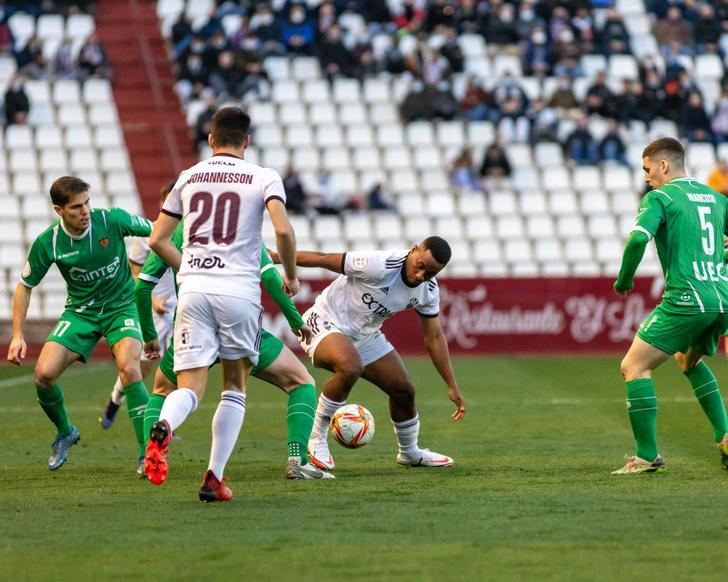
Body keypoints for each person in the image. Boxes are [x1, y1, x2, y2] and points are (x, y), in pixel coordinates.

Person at [144, 107, 301, 502]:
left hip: (193, 290)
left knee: (190, 388)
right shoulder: (263, 176)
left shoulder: (188, 176)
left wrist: (189, 271)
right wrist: (293, 275)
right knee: (234, 386)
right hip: (238, 291)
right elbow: (282, 228)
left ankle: (164, 423)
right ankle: (213, 478)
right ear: (246, 141)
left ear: (210, 139)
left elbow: (157, 241)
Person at [136, 222, 332, 481]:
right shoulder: (240, 219)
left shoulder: (179, 229)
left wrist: (150, 336)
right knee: (299, 382)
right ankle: (298, 460)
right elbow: (271, 278)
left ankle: (150, 452)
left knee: (164, 389)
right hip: (238, 318)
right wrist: (296, 321)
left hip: (193, 319)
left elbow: (142, 286)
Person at [272, 237, 466, 471]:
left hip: (365, 335)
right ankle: (316, 439)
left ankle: (409, 453)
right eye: (420, 265)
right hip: (323, 322)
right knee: (350, 367)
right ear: (413, 250)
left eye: (431, 273)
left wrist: (452, 385)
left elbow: (434, 337)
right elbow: (324, 259)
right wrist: (275, 257)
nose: (420, 276)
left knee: (403, 389)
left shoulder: (428, 291)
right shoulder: (379, 264)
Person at [6, 176, 153, 472]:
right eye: (76, 207)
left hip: (121, 307)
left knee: (129, 367)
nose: (85, 211)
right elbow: (24, 286)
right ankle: (65, 431)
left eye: (87, 202)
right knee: (43, 375)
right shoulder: (49, 242)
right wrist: (17, 335)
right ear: (59, 210)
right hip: (80, 313)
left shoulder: (111, 220)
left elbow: (159, 230)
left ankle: (148, 454)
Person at [612, 137, 728, 475]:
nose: (646, 176)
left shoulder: (660, 197)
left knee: (633, 366)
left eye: (648, 169)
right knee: (687, 360)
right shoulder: (717, 198)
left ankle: (646, 456)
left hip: (687, 297)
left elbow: (636, 239)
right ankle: (724, 436)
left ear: (663, 165)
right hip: (722, 296)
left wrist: (624, 279)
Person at [99, 181, 177, 431]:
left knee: (176, 372)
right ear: (162, 204)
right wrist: (153, 301)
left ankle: (162, 425)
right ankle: (114, 399)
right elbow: (135, 273)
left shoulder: (189, 233)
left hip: (183, 310)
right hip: (154, 312)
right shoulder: (149, 235)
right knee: (139, 370)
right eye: (169, 201)